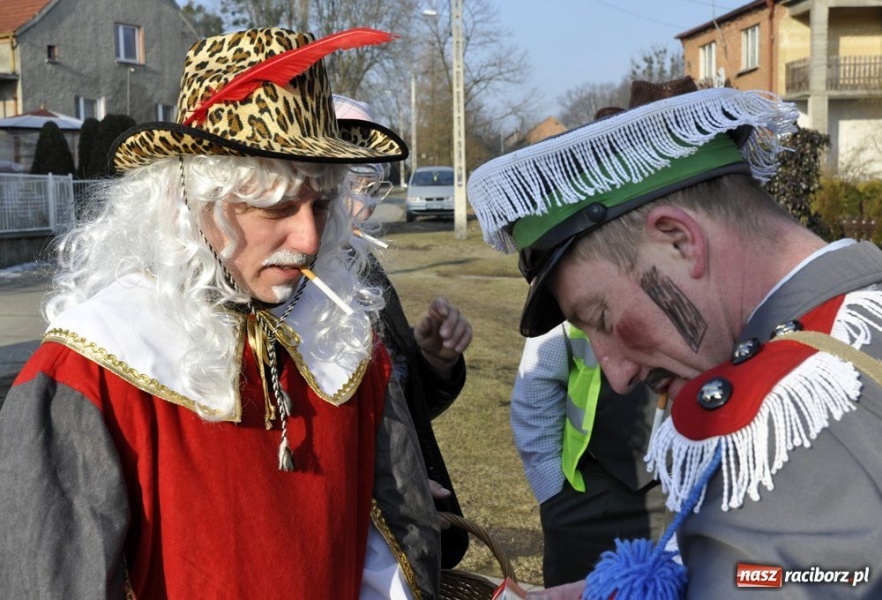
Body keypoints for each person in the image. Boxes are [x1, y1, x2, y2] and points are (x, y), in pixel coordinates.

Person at [0, 28, 441, 599]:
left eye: (321, 205)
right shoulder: (91, 369)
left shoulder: (346, 340)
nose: (307, 239)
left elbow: (395, 550)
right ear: (186, 205)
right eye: (274, 207)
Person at [467, 76, 882, 599]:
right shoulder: (855, 319)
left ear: (678, 240)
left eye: (601, 316)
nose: (616, 375)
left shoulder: (791, 416)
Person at [334, 94, 473, 568]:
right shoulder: (282, 286)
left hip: (399, 543)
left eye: (374, 186)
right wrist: (393, 487)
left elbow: (401, 407)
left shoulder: (362, 265)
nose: (367, 209)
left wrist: (432, 359)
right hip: (348, 544)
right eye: (356, 185)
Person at [511, 321, 669, 587]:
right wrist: (553, 493)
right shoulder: (567, 282)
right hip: (589, 492)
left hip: (684, 493)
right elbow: (537, 381)